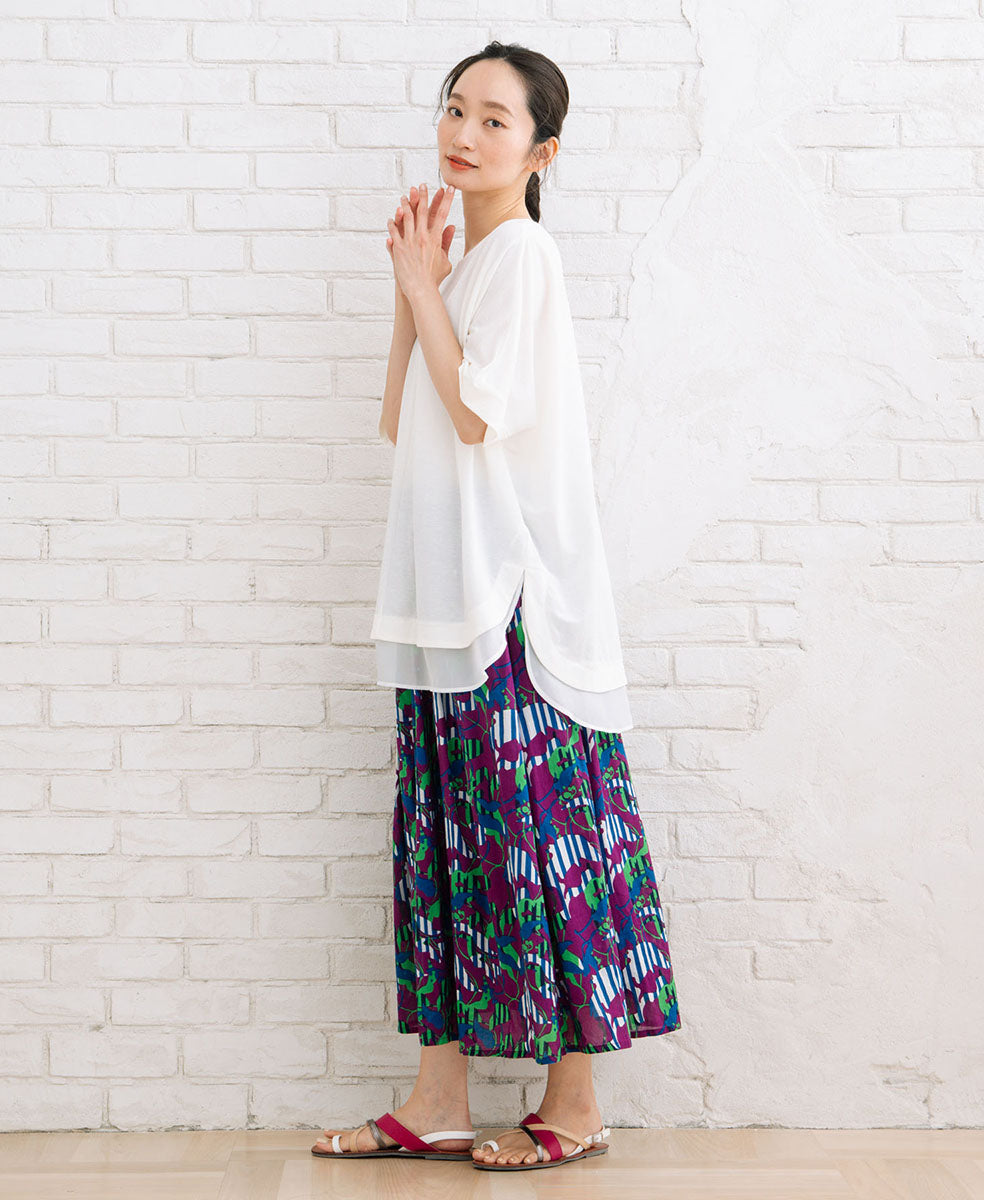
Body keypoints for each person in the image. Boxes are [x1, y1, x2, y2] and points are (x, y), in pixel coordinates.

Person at [313, 40, 681, 1173]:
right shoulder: (470, 267)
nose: (463, 134)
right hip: (446, 601)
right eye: (454, 110)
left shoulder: (521, 254)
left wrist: (428, 289)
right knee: (449, 844)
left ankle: (574, 1105)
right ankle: (437, 1101)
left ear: (541, 152)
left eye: (494, 120)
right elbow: (404, 418)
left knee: (540, 839)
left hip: (505, 603)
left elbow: (477, 417)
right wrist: (413, 286)